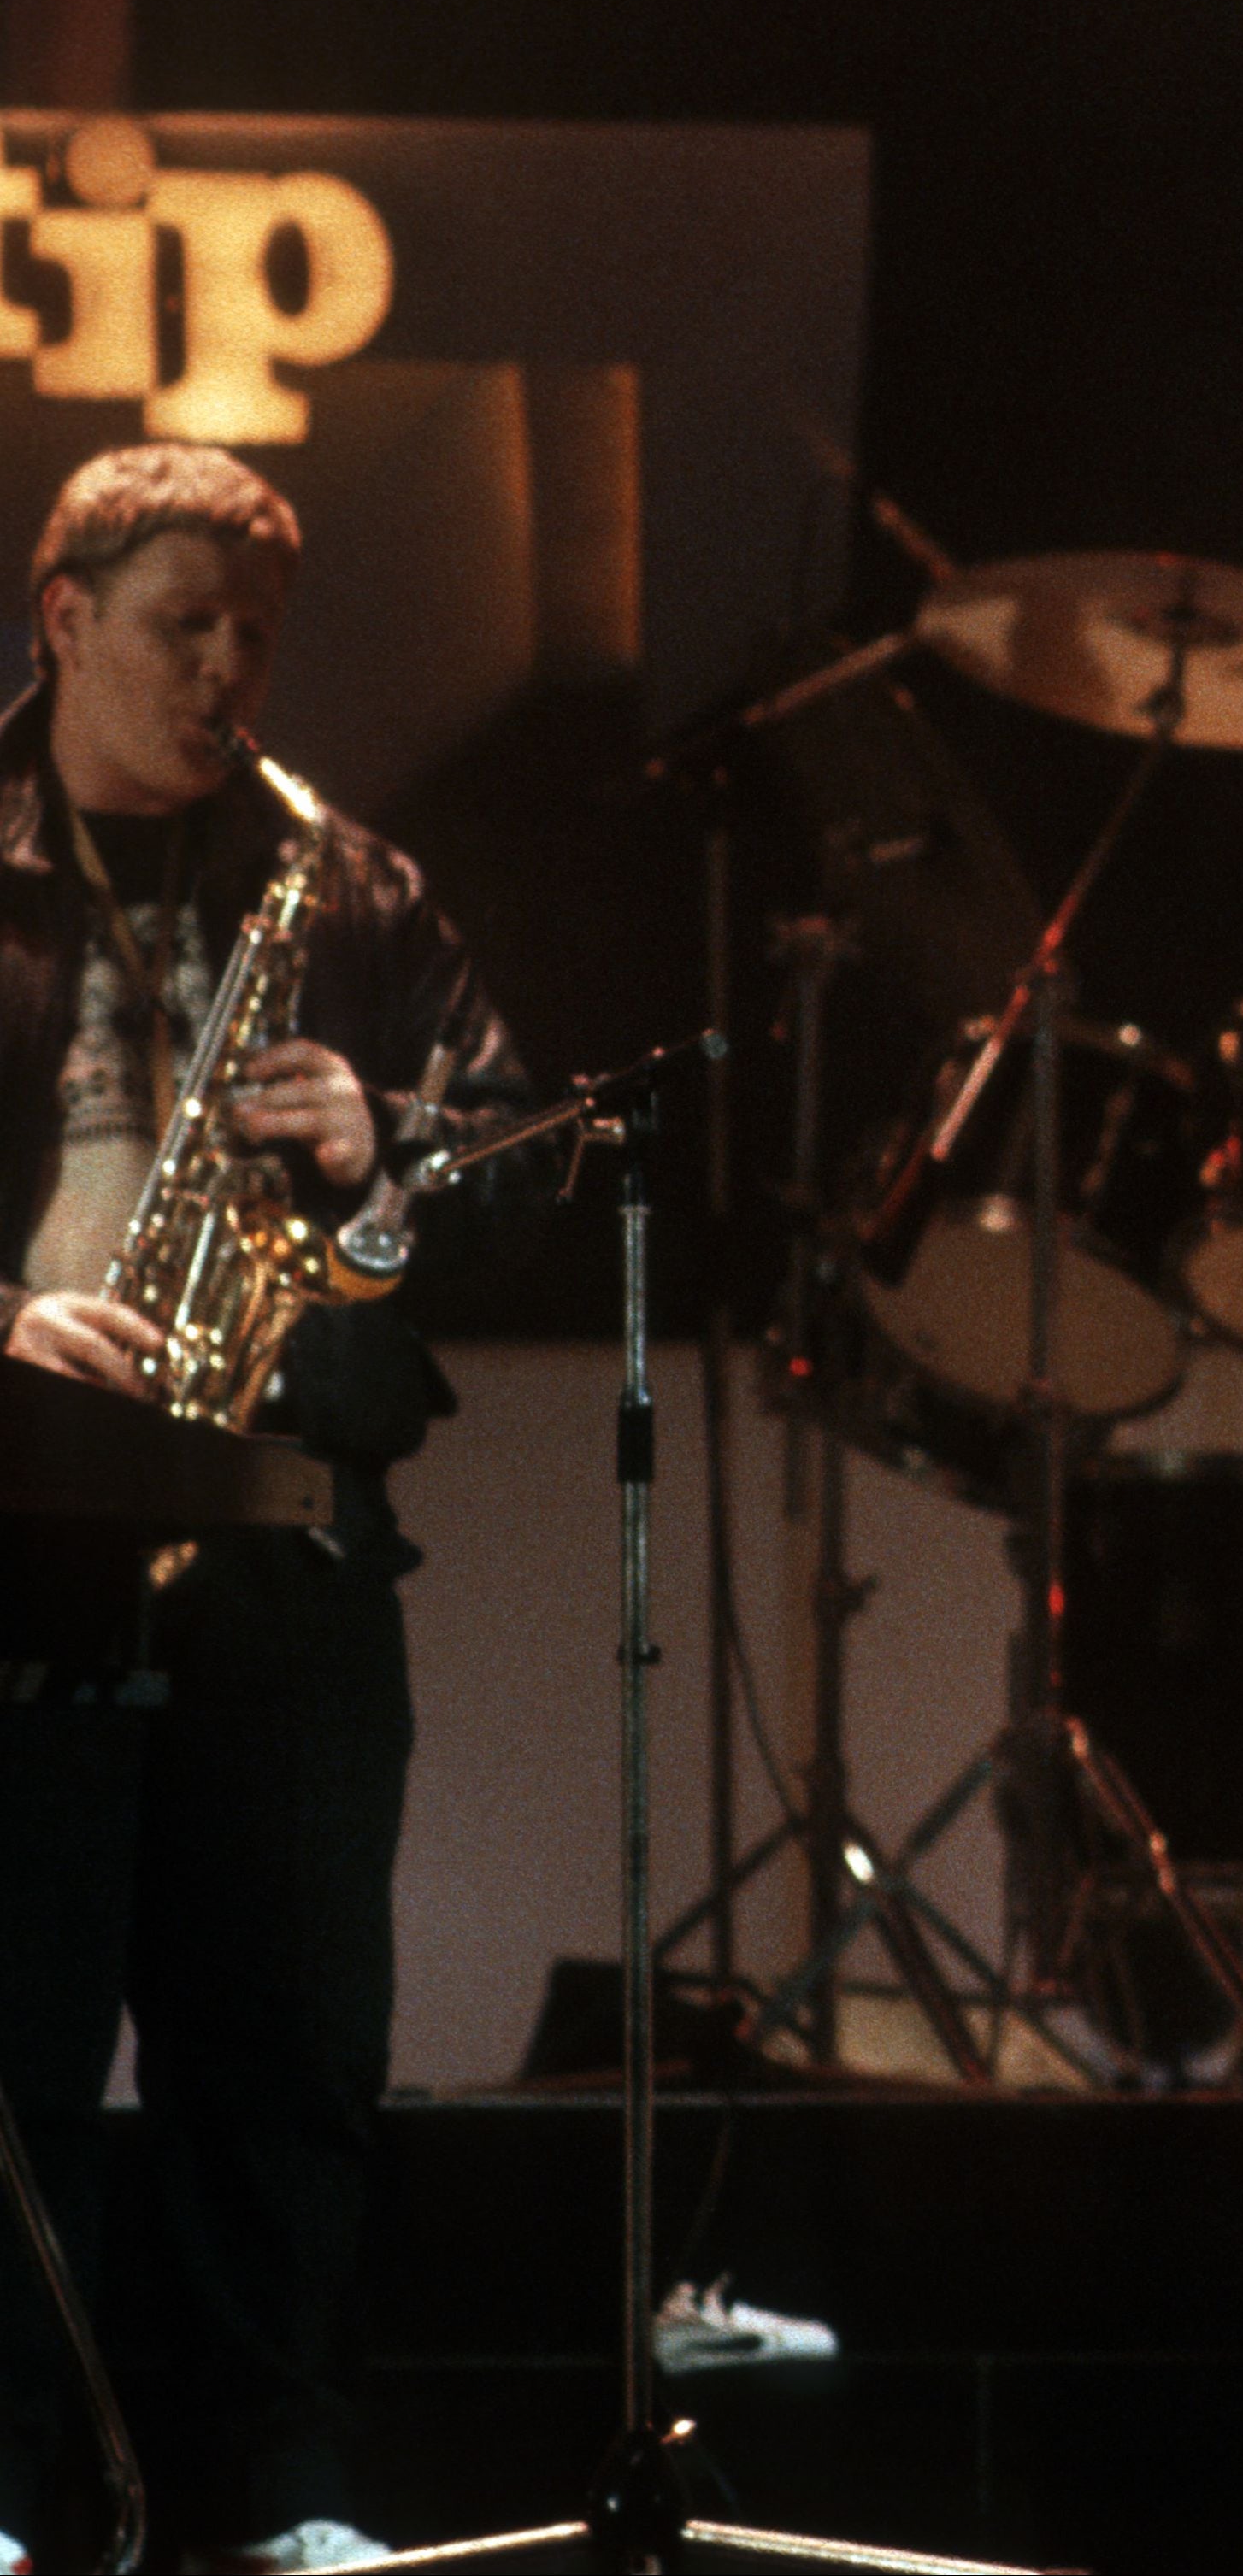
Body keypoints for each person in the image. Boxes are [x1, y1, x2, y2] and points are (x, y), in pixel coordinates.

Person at [0, 445, 533, 2576]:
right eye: (180, 626)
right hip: (18, 1529)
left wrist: (383, 1146)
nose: (227, 674)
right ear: (62, 617)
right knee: (12, 2060)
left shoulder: (350, 884)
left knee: (290, 2055)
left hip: (284, 1531)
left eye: (254, 638)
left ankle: (289, 2491)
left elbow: (503, 1196)